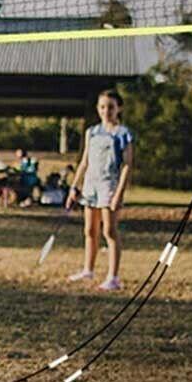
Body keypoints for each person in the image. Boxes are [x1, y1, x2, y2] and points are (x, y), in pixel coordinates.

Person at [66, 89, 134, 291]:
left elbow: (127, 165)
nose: (106, 111)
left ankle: (113, 277)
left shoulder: (123, 134)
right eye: (103, 107)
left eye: (111, 107)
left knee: (109, 231)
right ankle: (88, 269)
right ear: (98, 109)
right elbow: (84, 162)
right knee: (89, 230)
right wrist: (74, 187)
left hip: (109, 186)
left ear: (118, 108)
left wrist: (118, 193)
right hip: (90, 185)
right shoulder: (92, 132)